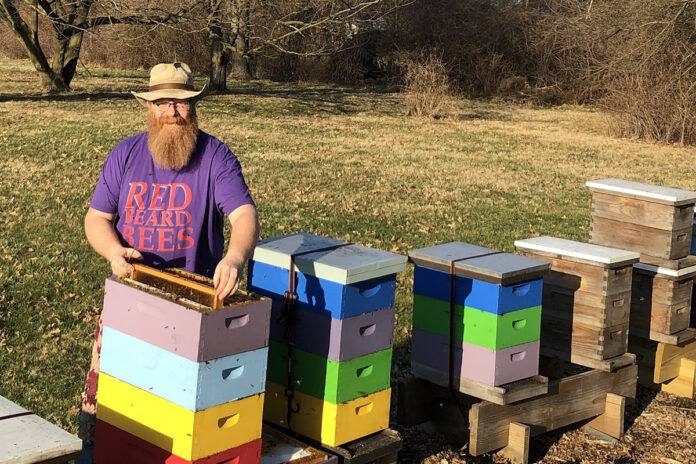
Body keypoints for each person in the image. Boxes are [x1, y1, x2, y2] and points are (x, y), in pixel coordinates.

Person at [77, 62, 259, 462]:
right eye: (162, 103)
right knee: (106, 422)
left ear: (193, 108)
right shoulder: (125, 154)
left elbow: (244, 214)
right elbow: (96, 219)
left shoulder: (216, 156)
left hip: (191, 308)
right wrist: (112, 250)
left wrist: (235, 255)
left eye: (180, 103)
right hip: (130, 298)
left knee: (182, 425)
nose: (171, 111)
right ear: (149, 107)